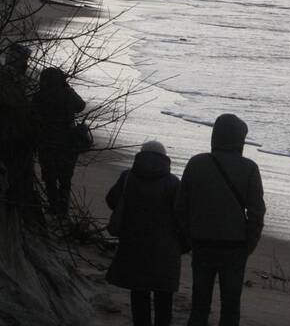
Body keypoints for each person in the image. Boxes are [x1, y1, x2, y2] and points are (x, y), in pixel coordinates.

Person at [175, 114, 266, 326]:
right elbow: (256, 213)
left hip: (202, 242)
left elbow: (181, 206)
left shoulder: (196, 163)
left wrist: (189, 236)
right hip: (234, 246)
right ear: (239, 140)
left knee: (199, 306)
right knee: (231, 308)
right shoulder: (249, 168)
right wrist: (248, 245)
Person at [106, 140, 186, 326]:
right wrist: (184, 243)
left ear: (141, 154)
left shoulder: (128, 177)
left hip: (134, 243)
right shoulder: (172, 182)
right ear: (164, 157)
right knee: (163, 296)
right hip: (165, 248)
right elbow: (181, 215)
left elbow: (111, 200)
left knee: (139, 292)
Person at [31, 66, 85, 215]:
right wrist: (68, 88)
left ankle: (53, 206)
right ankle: (62, 209)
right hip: (67, 143)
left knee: (49, 178)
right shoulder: (67, 94)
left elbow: (32, 116)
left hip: (46, 142)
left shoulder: (39, 96)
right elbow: (81, 106)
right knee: (65, 179)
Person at [0, 43, 40, 220]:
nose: (26, 64)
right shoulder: (9, 78)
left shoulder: (13, 78)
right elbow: (15, 106)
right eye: (24, 60)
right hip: (11, 135)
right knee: (15, 176)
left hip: (14, 135)